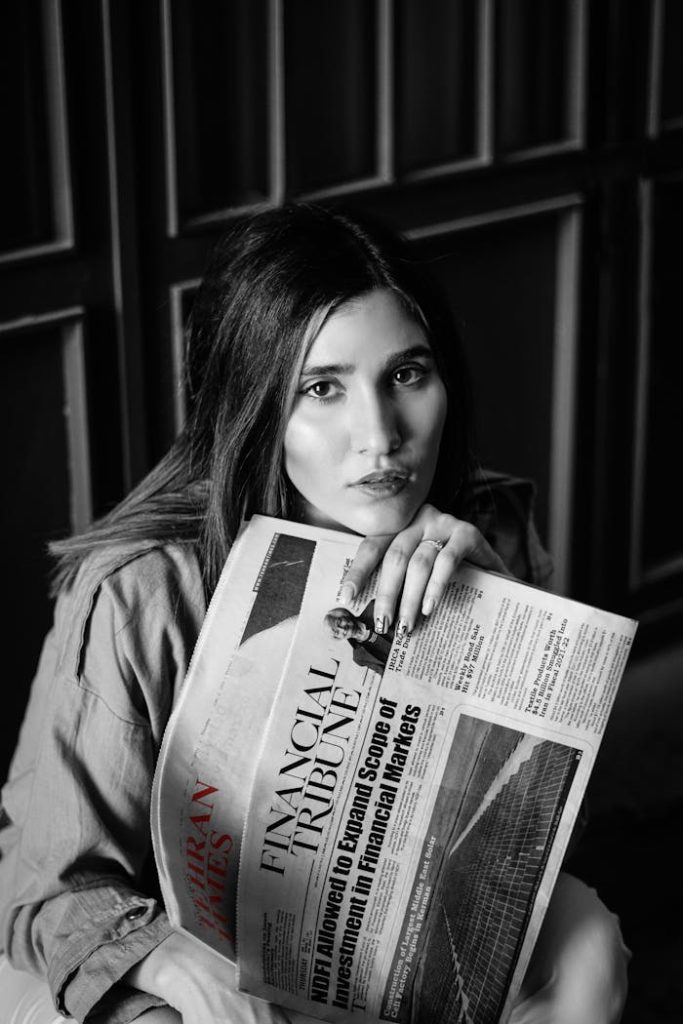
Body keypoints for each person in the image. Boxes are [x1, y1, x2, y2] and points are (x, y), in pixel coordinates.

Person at [0, 203, 629, 1024]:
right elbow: (45, 890)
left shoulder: (485, 532)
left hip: (374, 952)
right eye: (321, 389)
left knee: (584, 940)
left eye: (405, 375)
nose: (379, 437)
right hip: (182, 967)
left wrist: (492, 613)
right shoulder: (140, 590)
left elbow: (533, 861)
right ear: (260, 408)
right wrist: (167, 968)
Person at [324, 601, 394, 675]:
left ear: (343, 614)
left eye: (339, 622)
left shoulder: (373, 608)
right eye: (337, 632)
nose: (342, 629)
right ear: (338, 638)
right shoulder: (359, 657)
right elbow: (386, 674)